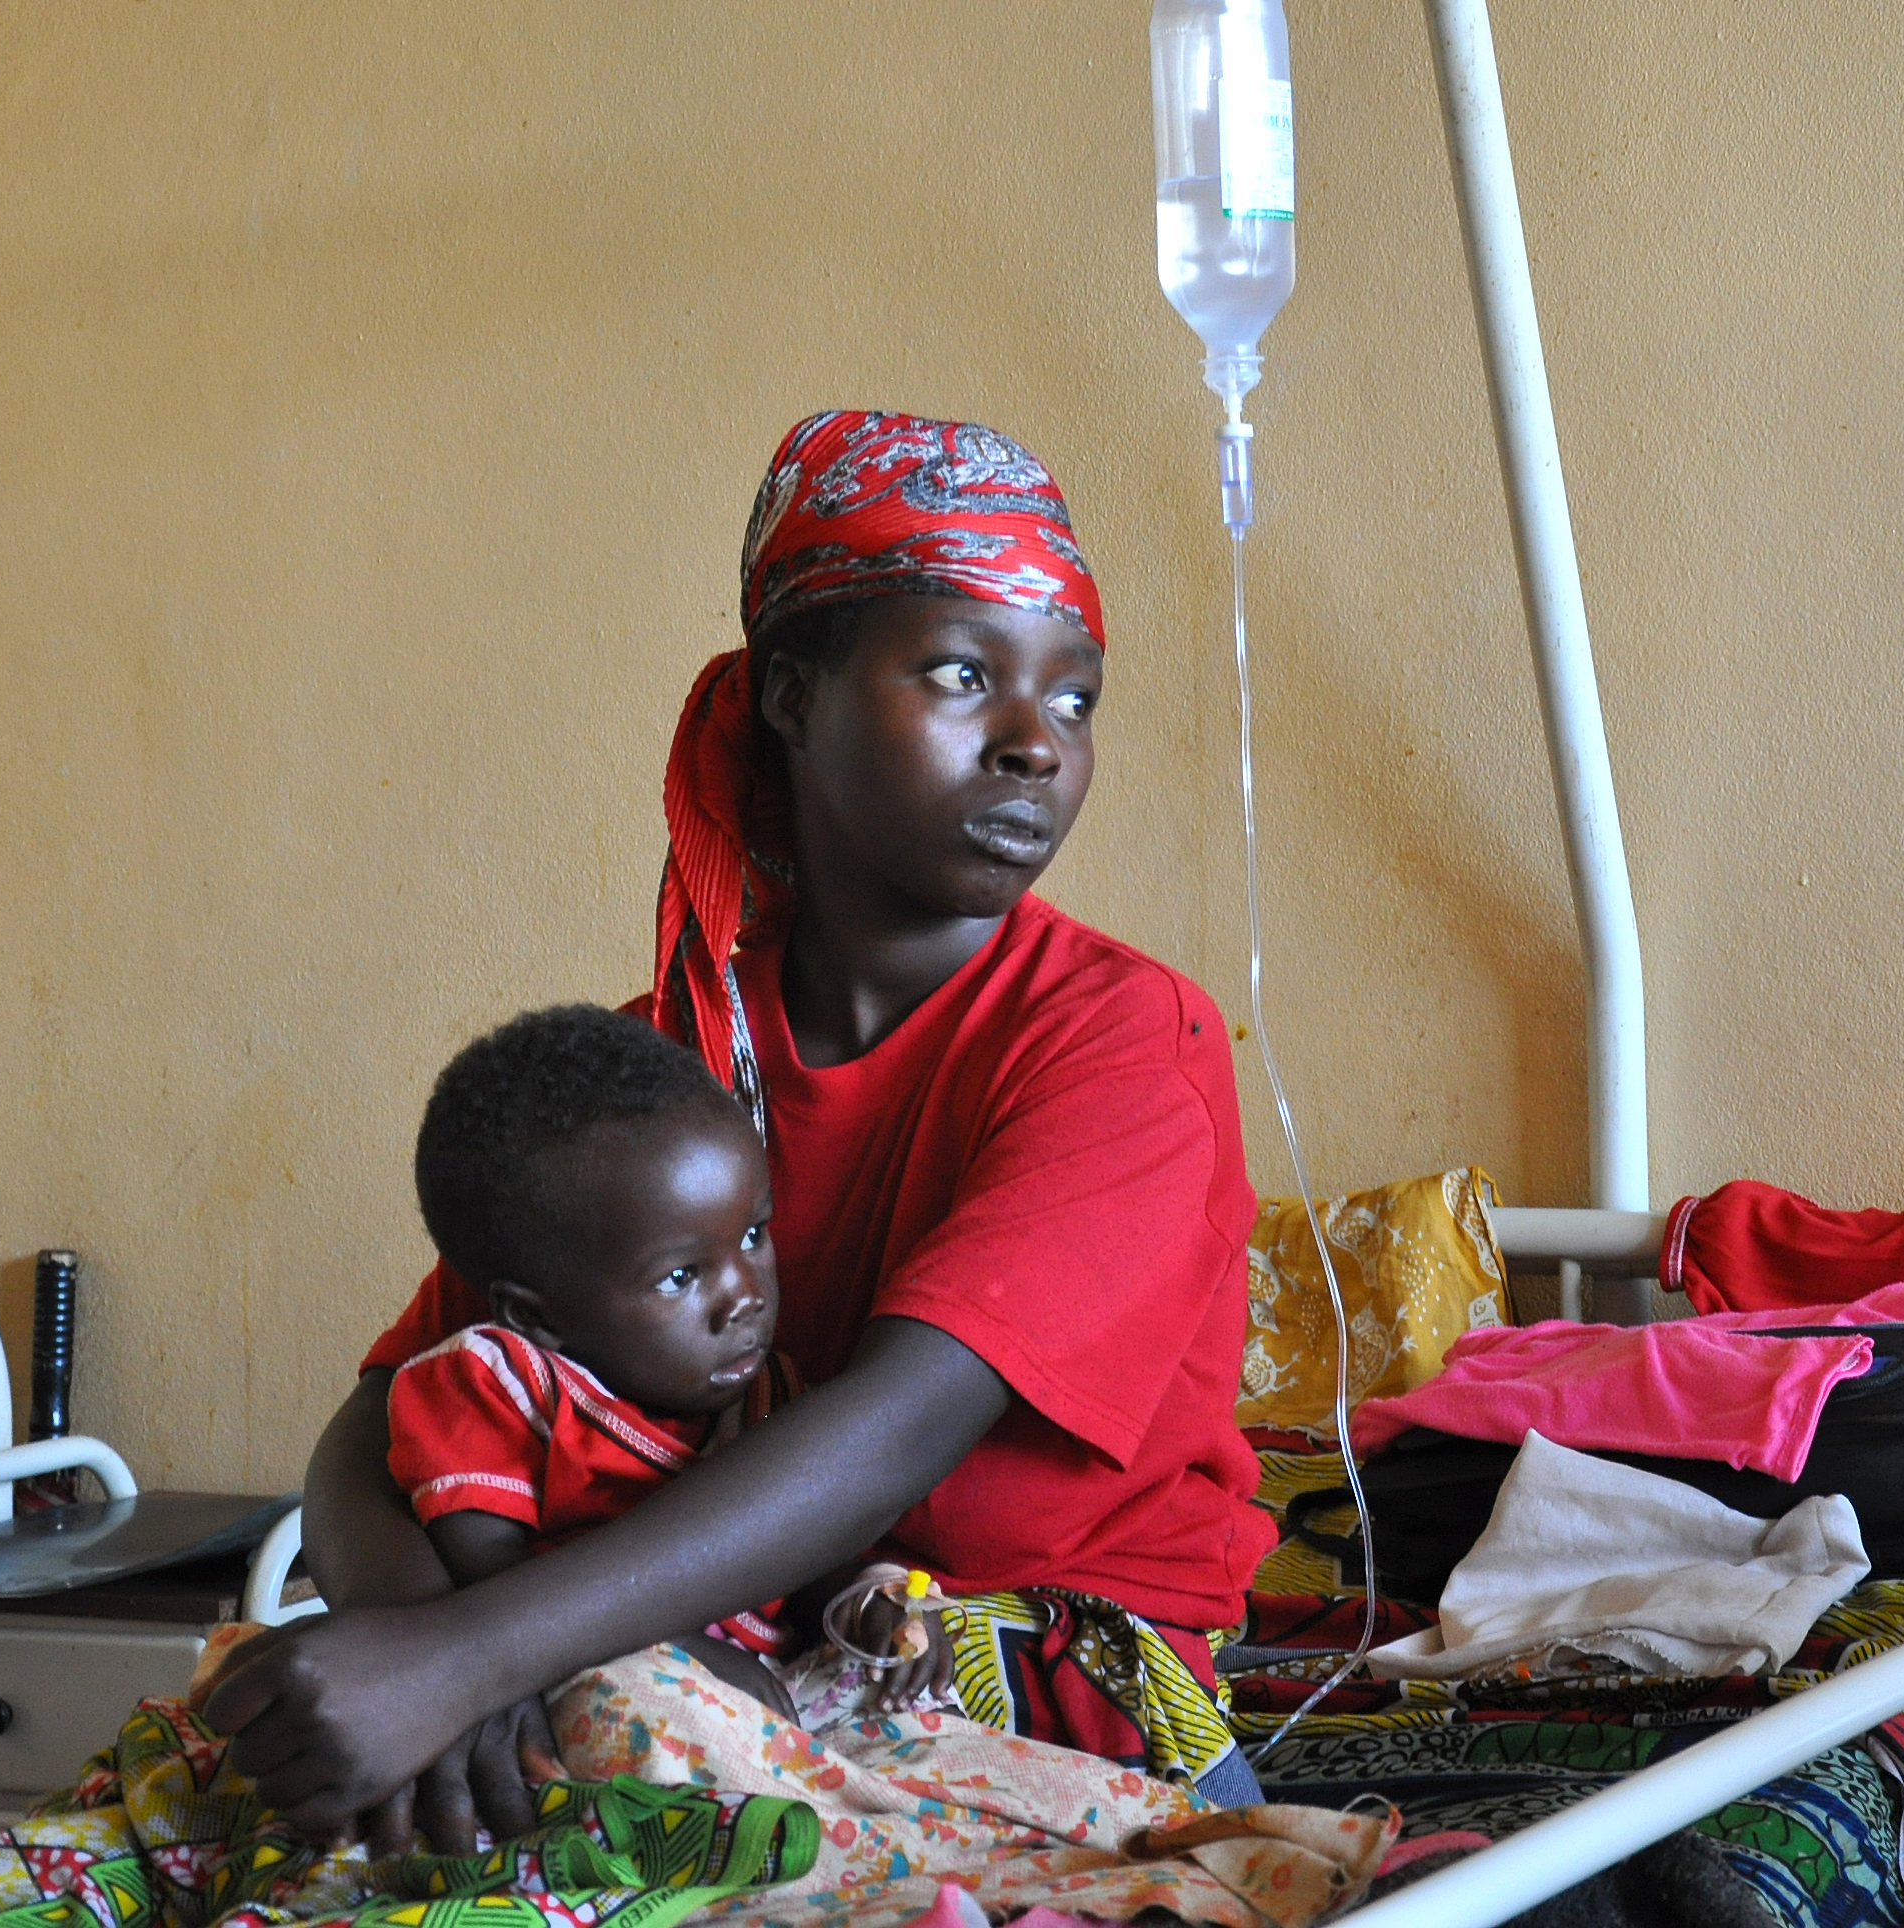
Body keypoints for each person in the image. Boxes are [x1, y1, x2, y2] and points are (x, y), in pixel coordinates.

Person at [203, 409, 1274, 1850]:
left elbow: (896, 1435)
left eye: (1075, 701)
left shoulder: (1122, 1040)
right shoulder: (657, 1068)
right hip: (631, 1655)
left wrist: (468, 1662)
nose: (1035, 745)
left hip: (1014, 1680)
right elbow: (388, 1412)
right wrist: (420, 1646)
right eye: (964, 676)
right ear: (790, 695)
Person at [381, 1002, 799, 1707]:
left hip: (764, 1695)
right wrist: (677, 1656)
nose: (744, 1297)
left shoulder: (774, 1399)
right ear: (534, 1317)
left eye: (754, 1235)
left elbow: (815, 1565)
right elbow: (494, 1587)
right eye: (679, 1277)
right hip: (565, 1681)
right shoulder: (496, 1388)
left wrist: (867, 1601)